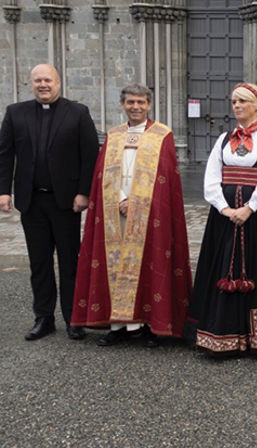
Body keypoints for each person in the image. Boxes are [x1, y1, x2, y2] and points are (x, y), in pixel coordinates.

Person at [70, 84, 192, 348]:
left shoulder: (162, 135)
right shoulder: (113, 136)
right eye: (130, 102)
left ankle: (148, 324)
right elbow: (102, 174)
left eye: (141, 102)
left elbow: (166, 179)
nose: (135, 107)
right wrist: (120, 199)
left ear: (149, 105)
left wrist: (138, 200)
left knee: (148, 262)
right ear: (122, 104)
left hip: (149, 213)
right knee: (112, 264)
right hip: (114, 210)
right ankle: (118, 326)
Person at [183, 83, 257, 355]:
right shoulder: (225, 138)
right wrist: (224, 208)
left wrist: (250, 207)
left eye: (242, 101)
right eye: (234, 101)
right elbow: (212, 176)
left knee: (256, 270)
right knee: (221, 269)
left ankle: (256, 338)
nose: (237, 106)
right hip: (225, 218)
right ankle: (219, 333)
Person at [0, 64, 98, 341]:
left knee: (70, 262)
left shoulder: (77, 113)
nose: (43, 84)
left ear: (59, 82)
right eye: (38, 80)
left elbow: (90, 154)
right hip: (32, 201)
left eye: (48, 80)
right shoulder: (15, 113)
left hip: (66, 202)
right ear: (31, 83)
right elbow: (5, 153)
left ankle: (73, 318)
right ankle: (43, 318)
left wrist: (84, 193)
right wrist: (3, 191)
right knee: (39, 262)